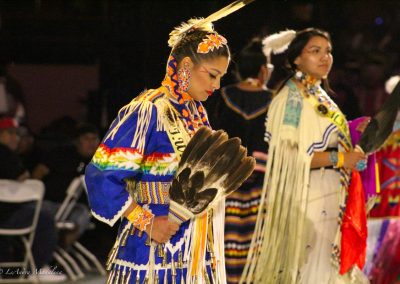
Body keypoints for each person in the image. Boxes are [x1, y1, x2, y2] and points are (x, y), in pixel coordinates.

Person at [84, 16, 233, 283]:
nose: (217, 85)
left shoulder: (197, 113)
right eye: (212, 75)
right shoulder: (147, 110)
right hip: (152, 247)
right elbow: (101, 174)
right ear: (186, 66)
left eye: (221, 77)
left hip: (197, 246)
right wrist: (146, 222)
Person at [241, 28, 370, 283]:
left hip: (332, 195)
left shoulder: (318, 94)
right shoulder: (292, 99)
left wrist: (355, 130)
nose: (325, 57)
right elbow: (290, 157)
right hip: (311, 200)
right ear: (296, 59)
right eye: (315, 51)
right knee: (317, 270)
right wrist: (342, 160)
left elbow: (324, 138)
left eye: (328, 51)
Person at [206, 37, 273, 284]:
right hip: (262, 188)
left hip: (225, 185)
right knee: (258, 246)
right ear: (264, 70)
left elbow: (210, 137)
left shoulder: (221, 97)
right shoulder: (274, 100)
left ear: (235, 70)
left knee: (227, 245)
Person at [0, 116, 66, 282]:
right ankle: (37, 268)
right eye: (11, 133)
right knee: (44, 219)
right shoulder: (6, 154)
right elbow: (22, 176)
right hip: (7, 216)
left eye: (17, 134)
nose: (16, 138)